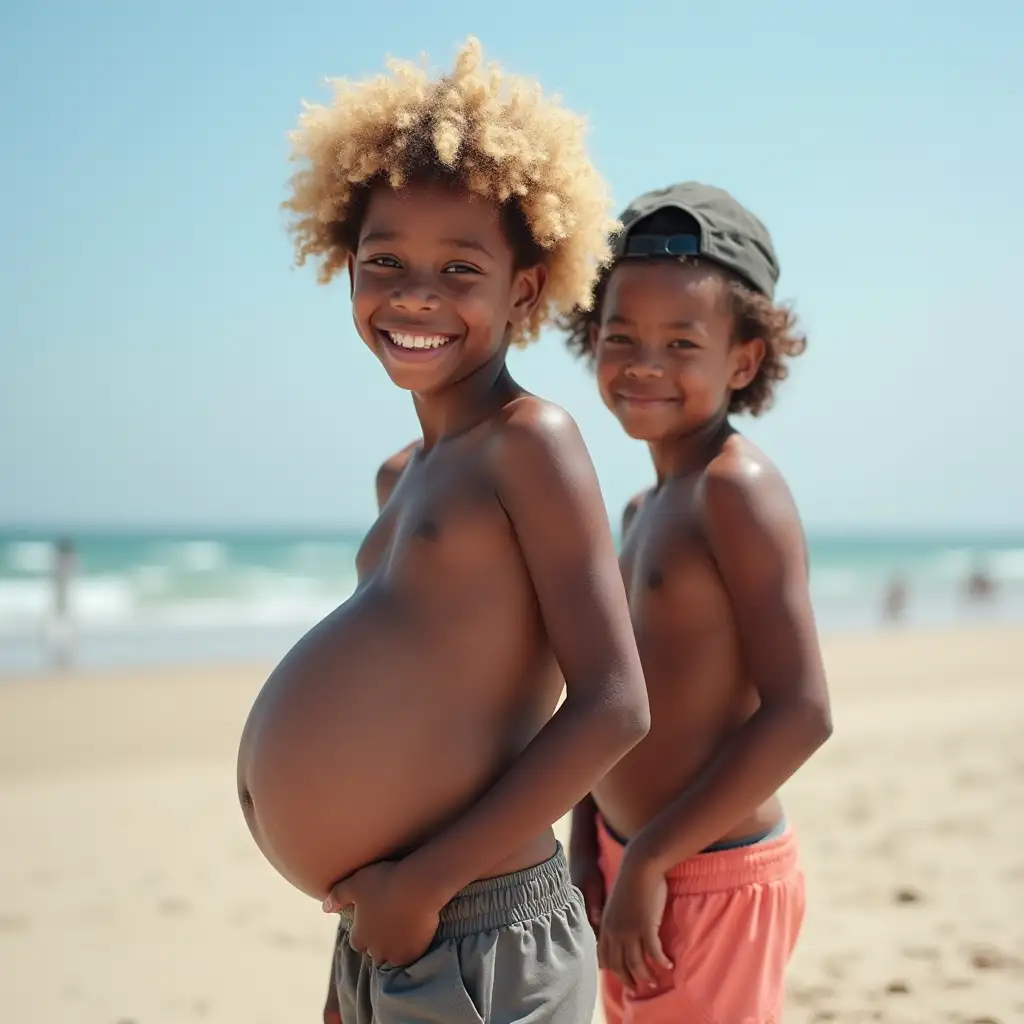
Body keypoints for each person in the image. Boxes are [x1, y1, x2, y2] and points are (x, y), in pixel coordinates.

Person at [235, 38, 650, 1024]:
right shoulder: (402, 475)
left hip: (476, 924)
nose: (414, 295)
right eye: (384, 263)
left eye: (458, 269)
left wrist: (423, 882)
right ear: (345, 269)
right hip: (384, 926)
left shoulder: (530, 442)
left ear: (522, 289)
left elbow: (613, 702)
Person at [562, 182, 833, 1024]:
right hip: (626, 858)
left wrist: (651, 858)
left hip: (708, 870)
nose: (645, 363)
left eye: (683, 342)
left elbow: (803, 712)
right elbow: (610, 693)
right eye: (622, 337)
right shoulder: (644, 509)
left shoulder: (737, 491)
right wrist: (588, 839)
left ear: (743, 361)